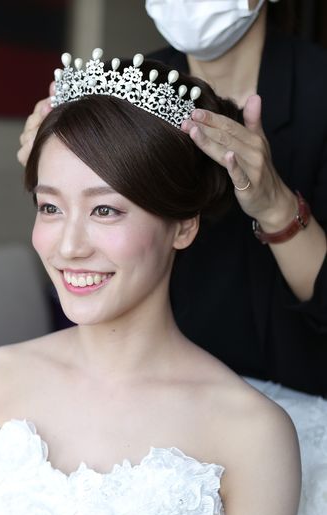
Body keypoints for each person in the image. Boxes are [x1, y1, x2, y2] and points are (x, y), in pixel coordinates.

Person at [0, 55, 301, 515]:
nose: (69, 246)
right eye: (50, 208)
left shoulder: (251, 432)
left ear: (183, 226)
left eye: (105, 210)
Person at [17, 0, 327, 397]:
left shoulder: (318, 92)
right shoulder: (134, 84)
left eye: (105, 208)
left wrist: (275, 206)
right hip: (148, 383)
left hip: (294, 386)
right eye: (48, 207)